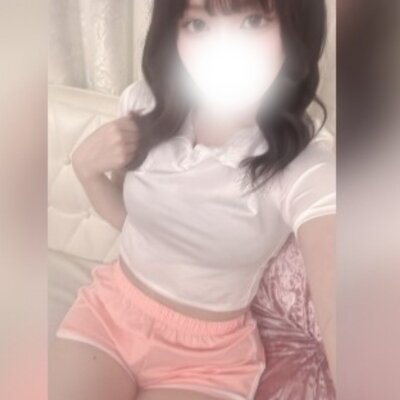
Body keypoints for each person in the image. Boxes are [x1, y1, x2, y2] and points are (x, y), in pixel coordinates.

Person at [50, 1, 336, 399]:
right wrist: (86, 172)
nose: (224, 51)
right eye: (198, 24)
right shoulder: (144, 105)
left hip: (209, 360)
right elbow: (132, 223)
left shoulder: (305, 162)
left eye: (253, 20)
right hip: (110, 313)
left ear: (295, 29)